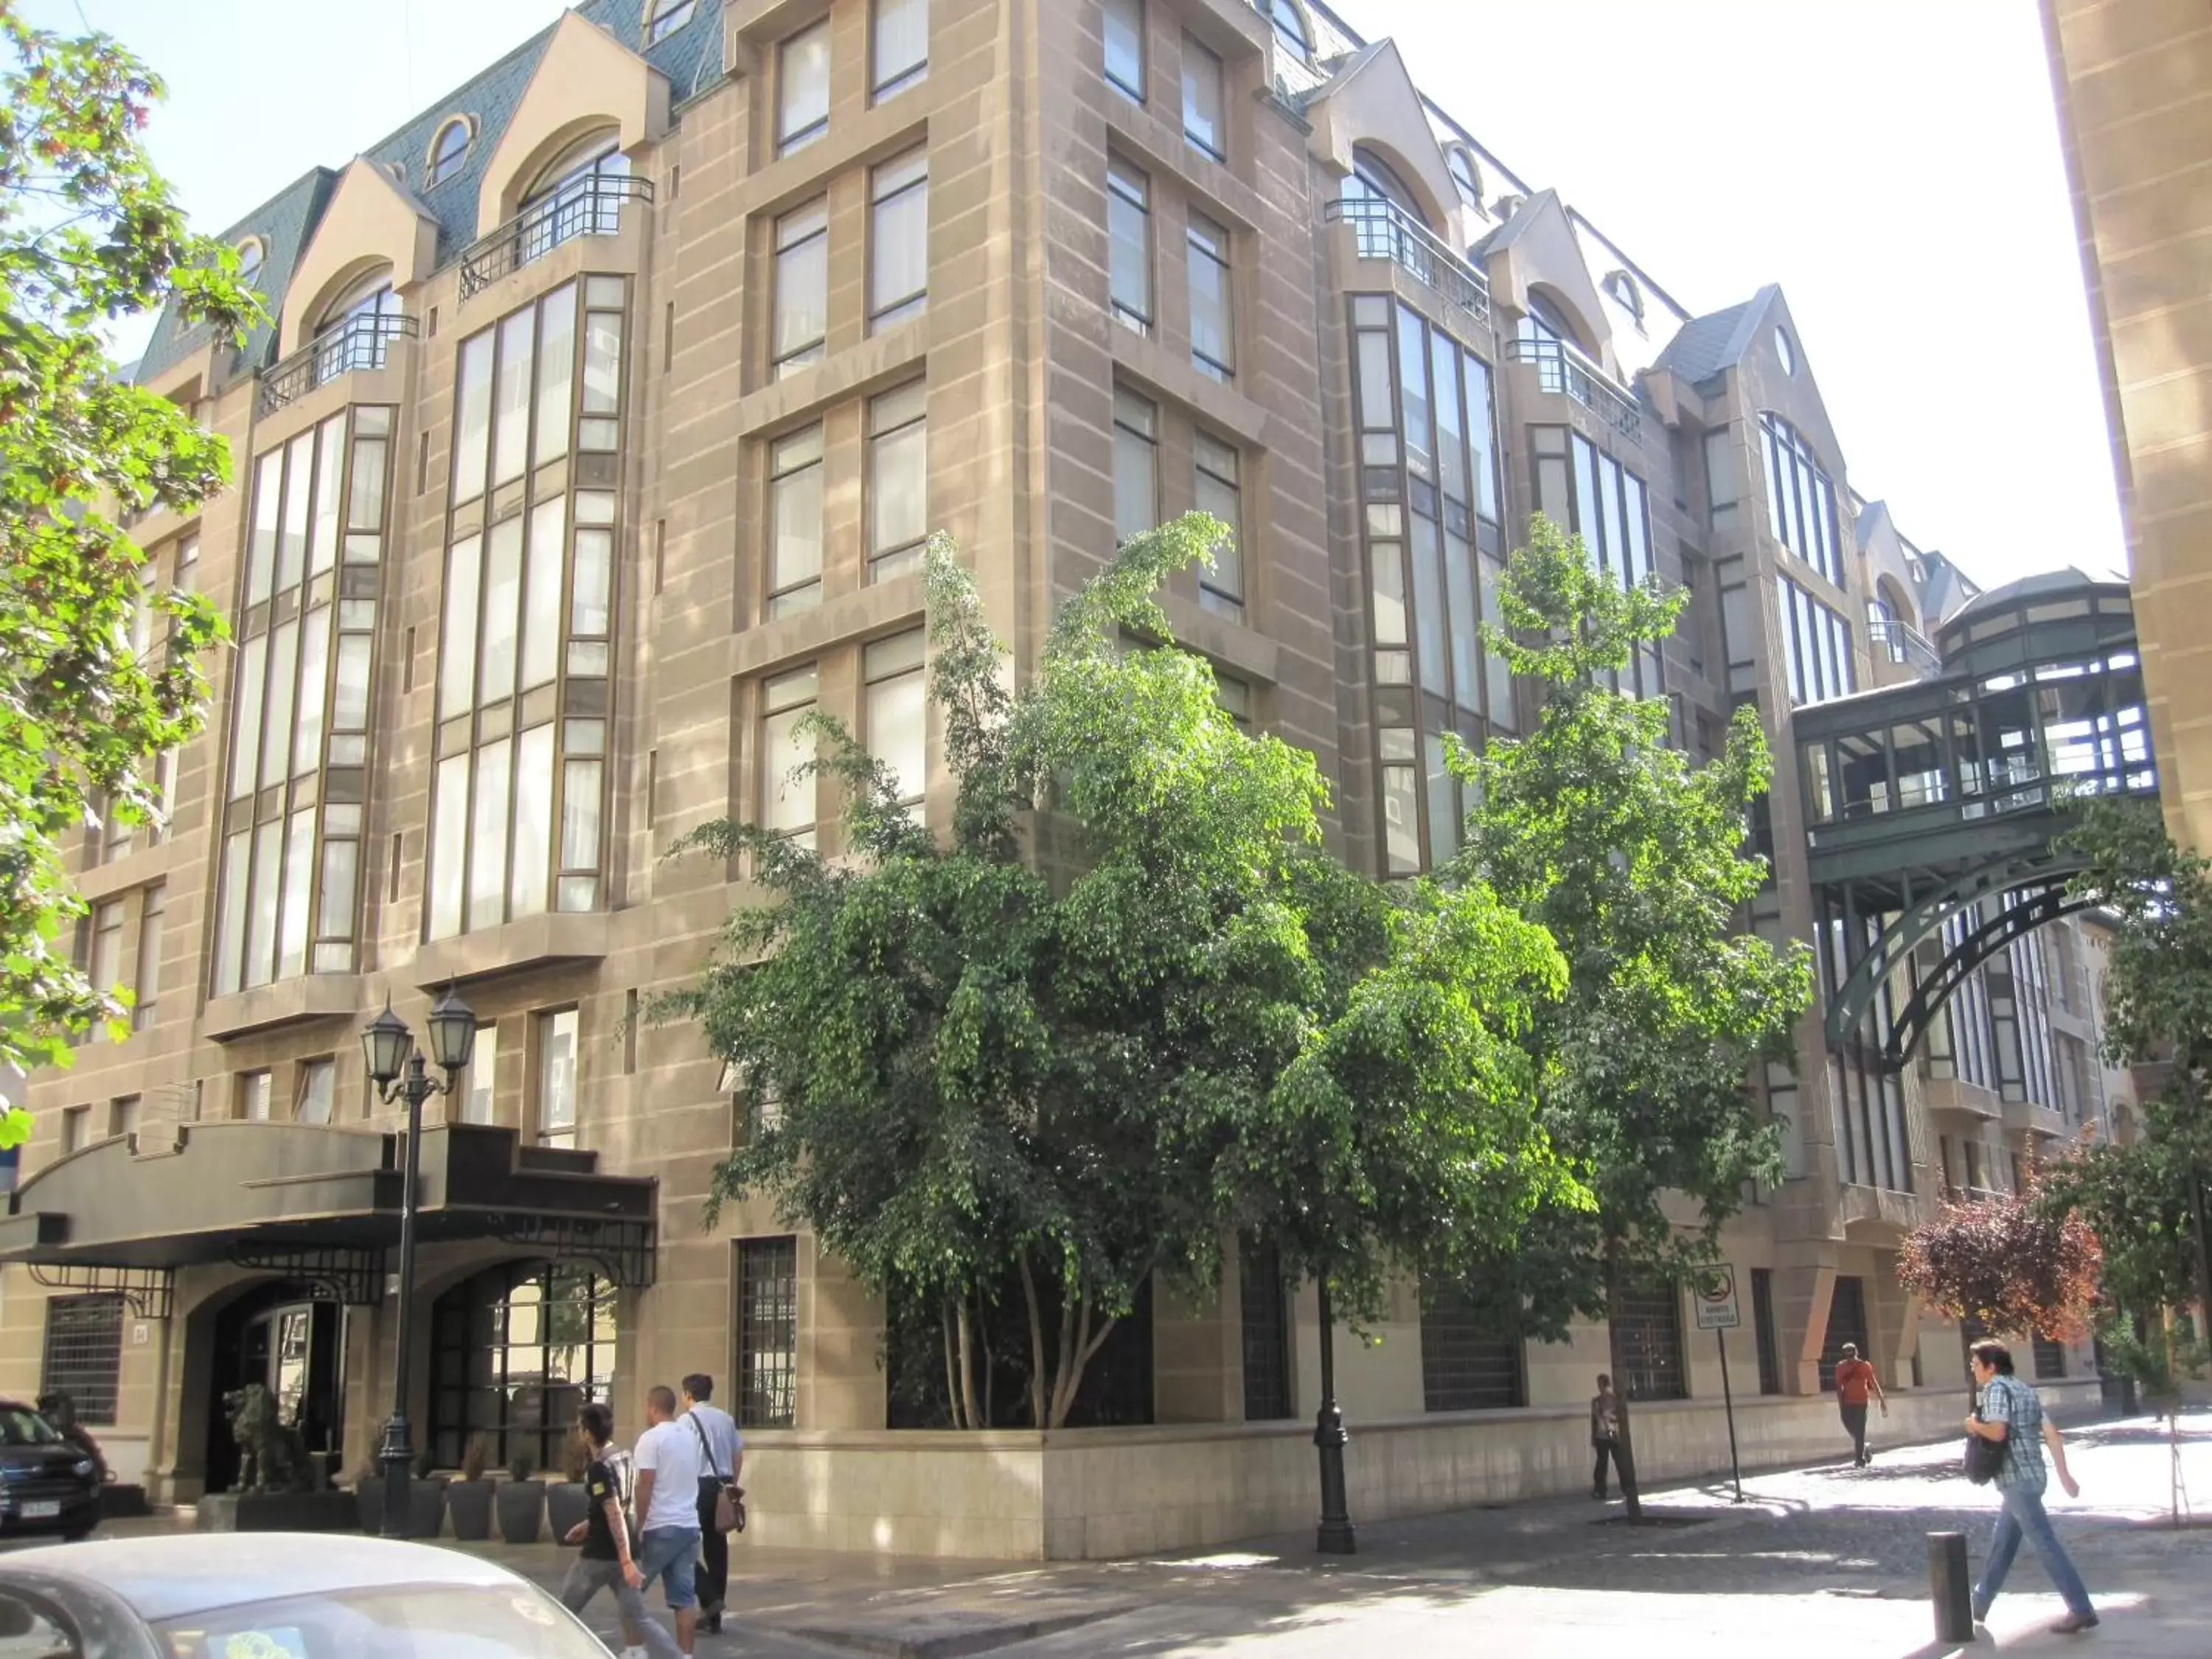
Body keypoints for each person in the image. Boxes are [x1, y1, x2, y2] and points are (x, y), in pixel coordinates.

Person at [1963, 1338, 2097, 1635]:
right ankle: (1979, 1602)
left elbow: (1997, 1432)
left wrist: (1973, 1426)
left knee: (2045, 1543)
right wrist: (2064, 1476)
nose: (1973, 1370)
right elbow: (2051, 1434)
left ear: (1991, 1367)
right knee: (2004, 1543)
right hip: (2034, 1477)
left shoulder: (1996, 1389)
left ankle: (2081, 1609)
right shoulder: (2025, 1389)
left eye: (1975, 1365)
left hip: (2016, 1478)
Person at [558, 1403, 680, 1659]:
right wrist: (588, 1524)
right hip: (628, 1551)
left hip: (600, 1556)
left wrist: (624, 1560)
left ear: (589, 1434)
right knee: (640, 1619)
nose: (579, 1433)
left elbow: (614, 1511)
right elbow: (621, 1505)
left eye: (581, 1428)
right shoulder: (624, 1456)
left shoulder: (599, 1468)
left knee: (561, 1613)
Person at [631, 1385, 707, 1656]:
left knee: (631, 1590)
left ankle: (635, 1650)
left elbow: (645, 1484)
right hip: (688, 1527)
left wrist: (638, 1526)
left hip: (660, 1527)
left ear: (652, 1408)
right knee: (684, 1599)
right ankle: (686, 1655)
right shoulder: (689, 1437)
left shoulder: (651, 1439)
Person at [681, 1374, 744, 1636]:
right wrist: (731, 1486)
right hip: (723, 1485)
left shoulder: (685, 1421)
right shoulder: (726, 1419)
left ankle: (709, 1599)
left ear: (688, 1395)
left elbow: (681, 1457)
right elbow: (737, 1455)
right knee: (717, 1549)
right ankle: (714, 1615)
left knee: (682, 1547)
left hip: (698, 1486)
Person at [1833, 1341, 1886, 1467]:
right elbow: (1839, 1386)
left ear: (1856, 1353)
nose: (1850, 1357)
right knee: (1850, 1428)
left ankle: (1859, 1459)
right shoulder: (1841, 1367)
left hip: (1861, 1402)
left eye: (1851, 1354)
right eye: (1847, 1355)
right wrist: (1841, 1404)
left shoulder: (1864, 1366)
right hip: (1847, 1402)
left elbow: (1873, 1383)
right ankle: (1864, 1446)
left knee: (1860, 1430)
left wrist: (1882, 1401)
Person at [1590, 1374, 1621, 1500]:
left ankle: (1602, 1489)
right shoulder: (1598, 1401)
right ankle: (1600, 1489)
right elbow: (1594, 1421)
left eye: (1600, 1384)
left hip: (1609, 1434)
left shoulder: (1612, 1400)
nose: (1599, 1387)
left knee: (1614, 1462)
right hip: (1605, 1434)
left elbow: (1619, 1418)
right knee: (1605, 1463)